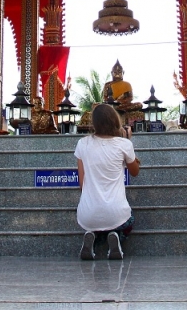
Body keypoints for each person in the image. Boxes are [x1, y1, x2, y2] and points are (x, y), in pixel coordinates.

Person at [74, 104, 140, 260]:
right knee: (128, 222)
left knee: (95, 224)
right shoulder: (124, 144)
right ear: (115, 121)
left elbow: (82, 184)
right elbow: (135, 172)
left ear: (94, 123)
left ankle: (92, 237)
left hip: (87, 214)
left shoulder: (83, 144)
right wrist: (126, 141)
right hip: (117, 213)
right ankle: (116, 236)